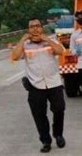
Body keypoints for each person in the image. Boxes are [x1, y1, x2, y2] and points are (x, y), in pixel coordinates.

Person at [11, 18, 66, 153]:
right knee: (39, 115)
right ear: (28, 30)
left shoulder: (49, 42)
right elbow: (15, 56)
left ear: (42, 28)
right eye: (32, 27)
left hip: (54, 83)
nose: (35, 29)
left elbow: (60, 51)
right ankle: (46, 141)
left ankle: (58, 134)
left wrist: (47, 39)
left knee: (59, 109)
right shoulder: (25, 45)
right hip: (36, 86)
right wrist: (22, 40)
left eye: (38, 26)